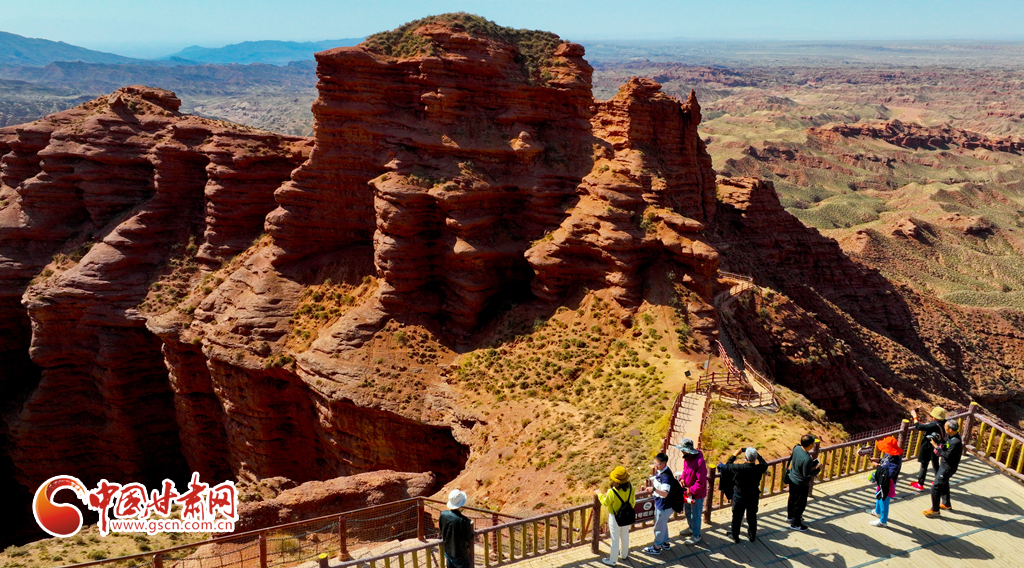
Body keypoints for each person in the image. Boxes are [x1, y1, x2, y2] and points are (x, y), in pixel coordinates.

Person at [718, 447, 769, 543]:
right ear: (755, 457)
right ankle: (752, 535)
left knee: (737, 517)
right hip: (753, 496)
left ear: (745, 457)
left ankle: (735, 536)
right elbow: (764, 464)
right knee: (752, 516)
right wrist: (757, 455)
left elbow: (728, 465)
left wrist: (735, 454)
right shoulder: (759, 468)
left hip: (740, 496)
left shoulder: (740, 468)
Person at [596, 466, 635, 565]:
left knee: (615, 539)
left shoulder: (612, 491)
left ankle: (613, 560)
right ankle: (624, 555)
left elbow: (605, 503)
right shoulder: (631, 488)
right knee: (625, 535)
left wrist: (599, 494)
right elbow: (633, 503)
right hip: (627, 516)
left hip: (615, 517)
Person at [924, 420, 963, 517]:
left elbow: (946, 455)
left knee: (935, 487)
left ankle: (935, 510)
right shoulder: (951, 436)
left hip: (948, 467)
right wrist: (939, 439)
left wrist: (936, 447)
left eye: (945, 427)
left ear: (950, 429)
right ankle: (946, 504)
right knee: (944, 483)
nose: (944, 428)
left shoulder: (956, 442)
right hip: (944, 465)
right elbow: (945, 443)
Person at [675, 438, 707, 545]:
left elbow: (700, 481)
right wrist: (682, 479)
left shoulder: (700, 462)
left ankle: (696, 536)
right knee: (688, 512)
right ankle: (691, 528)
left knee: (696, 515)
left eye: (683, 450)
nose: (681, 451)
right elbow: (685, 471)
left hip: (697, 494)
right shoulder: (687, 459)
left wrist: (691, 490)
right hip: (687, 492)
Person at [786, 434, 820, 532]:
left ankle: (790, 516)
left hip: (792, 478)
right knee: (800, 504)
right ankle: (795, 523)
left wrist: (813, 463)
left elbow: (799, 463)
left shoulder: (796, 448)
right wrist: (818, 469)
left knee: (792, 498)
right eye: (813, 443)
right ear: (810, 445)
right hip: (801, 484)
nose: (814, 444)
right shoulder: (807, 459)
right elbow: (807, 476)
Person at [642, 453, 674, 555]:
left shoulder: (666, 477)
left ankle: (656, 548)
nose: (655, 466)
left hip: (664, 505)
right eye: (655, 463)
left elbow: (665, 493)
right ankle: (665, 543)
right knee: (662, 524)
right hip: (663, 504)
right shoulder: (662, 471)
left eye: (658, 464)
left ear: (664, 464)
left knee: (658, 527)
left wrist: (654, 489)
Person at [866, 436, 903, 527]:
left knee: (884, 502)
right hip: (881, 482)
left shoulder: (896, 461)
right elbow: (884, 461)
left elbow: (889, 475)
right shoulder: (888, 454)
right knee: (878, 496)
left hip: (888, 484)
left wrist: (878, 466)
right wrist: (878, 460)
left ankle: (883, 521)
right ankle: (877, 512)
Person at [909, 406, 946, 491]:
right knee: (935, 463)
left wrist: (914, 416)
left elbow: (919, 427)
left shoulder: (933, 425)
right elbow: (935, 418)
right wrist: (924, 411)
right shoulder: (943, 422)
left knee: (924, 464)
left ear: (934, 417)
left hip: (927, 446)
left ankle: (920, 484)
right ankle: (938, 481)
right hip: (936, 446)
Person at [439, 489, 474, 568]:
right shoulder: (464, 520)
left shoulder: (443, 514)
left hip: (448, 550)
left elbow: (441, 529)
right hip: (460, 554)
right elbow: (469, 537)